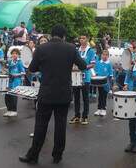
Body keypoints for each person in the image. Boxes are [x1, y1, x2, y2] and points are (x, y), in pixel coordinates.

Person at [19, 24, 86, 164]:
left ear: (51, 35)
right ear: (64, 36)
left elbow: (32, 68)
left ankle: (33, 155)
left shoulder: (41, 48)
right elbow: (83, 66)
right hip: (63, 94)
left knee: (40, 125)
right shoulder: (71, 48)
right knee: (60, 125)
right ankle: (57, 155)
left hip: (46, 93)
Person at [69, 34, 96, 125]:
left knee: (85, 98)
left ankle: (85, 116)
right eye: (80, 38)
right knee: (76, 97)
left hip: (86, 77)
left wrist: (83, 67)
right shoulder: (77, 50)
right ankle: (77, 116)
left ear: (87, 39)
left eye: (84, 38)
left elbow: (92, 64)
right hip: (76, 76)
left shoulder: (90, 51)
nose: (81, 39)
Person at [3, 48, 25, 117]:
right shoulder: (10, 62)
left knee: (13, 96)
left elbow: (23, 72)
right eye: (13, 53)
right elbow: (7, 69)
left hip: (16, 81)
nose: (14, 55)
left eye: (16, 53)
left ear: (18, 55)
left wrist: (17, 74)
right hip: (9, 80)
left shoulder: (19, 62)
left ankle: (14, 110)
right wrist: (5, 71)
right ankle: (8, 110)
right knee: (7, 95)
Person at [93, 50, 113, 117]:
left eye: (106, 55)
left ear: (108, 56)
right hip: (99, 82)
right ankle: (99, 109)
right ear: (101, 55)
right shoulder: (98, 63)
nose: (104, 56)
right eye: (103, 55)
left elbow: (110, 75)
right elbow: (95, 72)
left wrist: (110, 85)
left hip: (105, 83)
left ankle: (103, 109)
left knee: (104, 96)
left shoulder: (109, 64)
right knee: (100, 95)